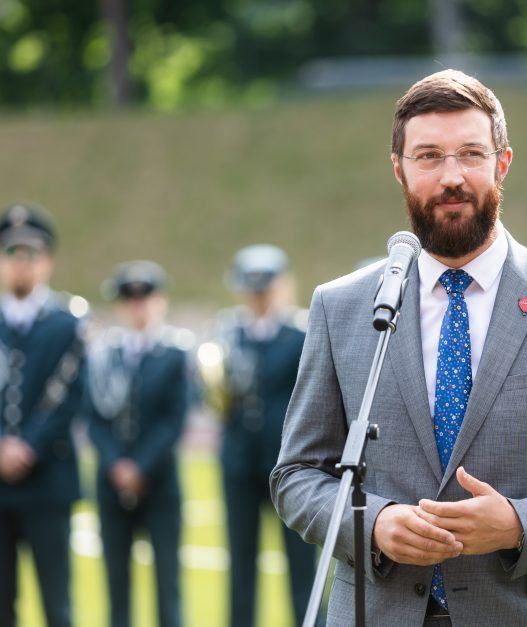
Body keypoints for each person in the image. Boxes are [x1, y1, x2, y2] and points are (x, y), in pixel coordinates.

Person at [270, 69, 527, 626]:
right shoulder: (343, 307)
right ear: (399, 170)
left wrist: (520, 525)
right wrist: (376, 524)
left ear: (502, 163)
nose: (450, 176)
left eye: (470, 154)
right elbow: (297, 476)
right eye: (428, 156)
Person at [210, 245, 318, 627]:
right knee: (241, 562)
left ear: (282, 286)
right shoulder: (229, 334)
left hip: (287, 464)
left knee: (301, 563)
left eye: (265, 288)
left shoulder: (299, 333)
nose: (257, 297)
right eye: (251, 289)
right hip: (239, 463)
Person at [86, 260, 188, 627]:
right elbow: (94, 418)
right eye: (129, 297)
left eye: (145, 296)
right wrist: (116, 464)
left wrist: (140, 466)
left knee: (167, 584)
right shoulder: (104, 355)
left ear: (159, 300)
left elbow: (174, 419)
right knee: (116, 582)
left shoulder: (175, 353)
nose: (138, 304)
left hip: (159, 481)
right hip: (110, 482)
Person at [0, 203, 85, 627]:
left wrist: (26, 446)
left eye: (31, 254)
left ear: (47, 261)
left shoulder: (68, 325)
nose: (21, 263)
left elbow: (69, 397)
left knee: (57, 605)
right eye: (12, 252)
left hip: (48, 479)